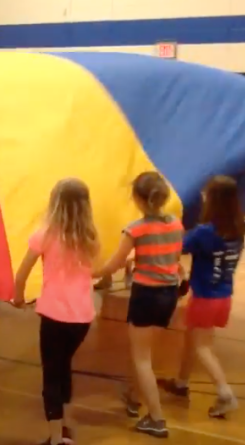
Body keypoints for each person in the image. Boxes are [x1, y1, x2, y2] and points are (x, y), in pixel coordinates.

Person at [93, 171, 183, 439]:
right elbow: (173, 258)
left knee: (142, 358)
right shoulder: (176, 225)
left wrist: (89, 273)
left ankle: (156, 418)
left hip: (146, 295)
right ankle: (133, 397)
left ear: (138, 199)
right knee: (145, 351)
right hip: (169, 294)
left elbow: (115, 264)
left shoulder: (136, 228)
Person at [12, 178, 99, 445]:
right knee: (63, 368)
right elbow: (95, 272)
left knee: (52, 374)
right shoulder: (90, 237)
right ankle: (66, 427)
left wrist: (18, 298)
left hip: (54, 315)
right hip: (82, 317)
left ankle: (55, 438)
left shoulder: (45, 234)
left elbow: (22, 274)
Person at [160, 176, 245, 418]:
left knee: (202, 347)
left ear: (214, 200)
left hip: (205, 297)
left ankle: (224, 393)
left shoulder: (204, 232)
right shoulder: (238, 229)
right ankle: (181, 383)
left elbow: (178, 248)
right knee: (193, 337)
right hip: (223, 296)